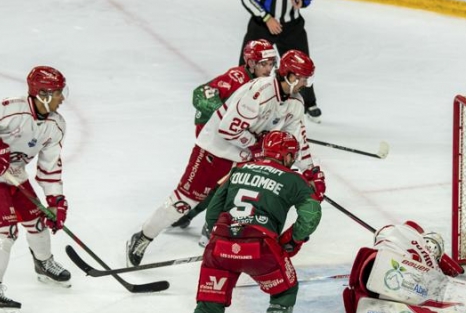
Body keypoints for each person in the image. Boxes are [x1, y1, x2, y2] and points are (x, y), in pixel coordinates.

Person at [157, 130, 326, 313]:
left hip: (221, 246)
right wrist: (292, 240)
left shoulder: (239, 169)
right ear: (287, 156)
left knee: (208, 308)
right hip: (261, 248)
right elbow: (311, 214)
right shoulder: (294, 179)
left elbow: (212, 214)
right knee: (284, 292)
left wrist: (224, 238)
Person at [127, 49, 321, 267]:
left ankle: (227, 241)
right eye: (303, 78)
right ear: (290, 75)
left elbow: (297, 141)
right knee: (184, 202)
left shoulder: (295, 102)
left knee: (247, 201)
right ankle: (144, 236)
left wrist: (311, 172)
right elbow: (227, 129)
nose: (306, 83)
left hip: (245, 157)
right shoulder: (260, 91)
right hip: (215, 151)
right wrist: (258, 146)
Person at [0, 66, 72, 313]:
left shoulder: (56, 125)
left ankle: (43, 263)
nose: (62, 98)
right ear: (42, 94)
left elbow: (50, 166)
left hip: (14, 173)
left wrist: (55, 200)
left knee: (38, 221)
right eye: (57, 92)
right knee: (5, 231)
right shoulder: (13, 109)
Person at [166, 39, 280, 234]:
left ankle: (194, 215)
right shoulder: (236, 77)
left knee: (228, 182)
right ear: (251, 63)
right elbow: (200, 94)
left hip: (236, 136)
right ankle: (188, 212)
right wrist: (224, 116)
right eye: (264, 64)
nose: (268, 69)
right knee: (218, 182)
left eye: (271, 64)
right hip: (215, 135)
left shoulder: (266, 85)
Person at [238, 0, 322, 122]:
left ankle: (308, 102)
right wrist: (266, 17)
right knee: (250, 64)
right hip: (263, 25)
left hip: (292, 26)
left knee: (303, 66)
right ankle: (240, 99)